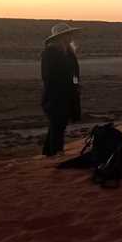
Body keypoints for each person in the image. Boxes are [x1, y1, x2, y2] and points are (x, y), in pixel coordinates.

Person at [40, 23, 82, 156]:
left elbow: (75, 74)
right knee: (57, 124)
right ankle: (56, 153)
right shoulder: (50, 53)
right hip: (55, 96)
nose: (70, 37)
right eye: (67, 35)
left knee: (58, 124)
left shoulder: (69, 53)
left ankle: (48, 154)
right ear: (60, 37)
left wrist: (75, 85)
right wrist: (64, 87)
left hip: (68, 94)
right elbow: (48, 77)